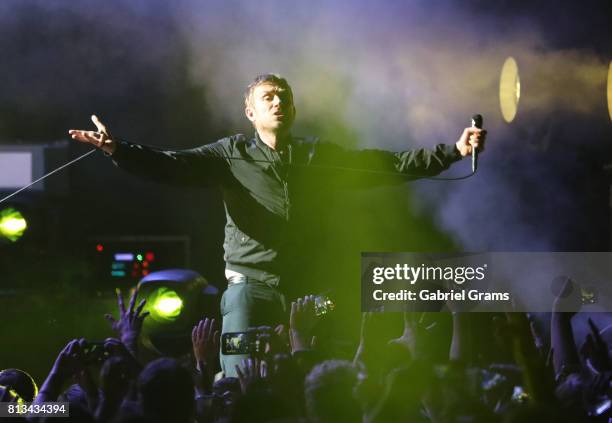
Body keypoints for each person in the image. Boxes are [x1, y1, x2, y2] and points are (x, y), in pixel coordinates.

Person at [69, 73, 486, 376]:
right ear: (250, 111)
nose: (278, 101)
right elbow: (171, 165)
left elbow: (385, 165)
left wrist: (452, 150)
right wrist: (116, 149)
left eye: (284, 95)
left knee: (320, 377)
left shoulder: (316, 155)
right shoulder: (229, 154)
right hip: (251, 285)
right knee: (242, 377)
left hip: (311, 289)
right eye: (268, 96)